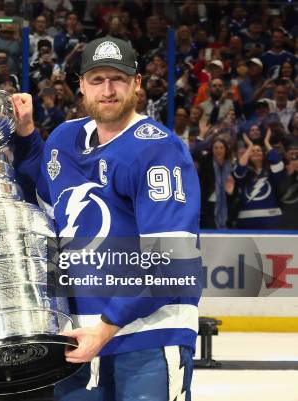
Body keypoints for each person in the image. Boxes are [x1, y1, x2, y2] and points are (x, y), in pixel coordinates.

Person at [11, 36, 201, 400]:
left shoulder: (158, 148)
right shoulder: (65, 139)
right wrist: (25, 135)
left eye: (118, 78)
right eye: (97, 80)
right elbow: (47, 197)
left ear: (137, 84)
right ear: (81, 85)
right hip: (77, 340)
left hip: (147, 335)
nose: (108, 90)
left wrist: (107, 325)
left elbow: (172, 261)